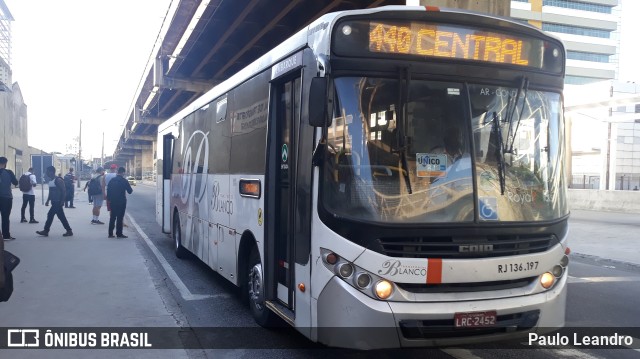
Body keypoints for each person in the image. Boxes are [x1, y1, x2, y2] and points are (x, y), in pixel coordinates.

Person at [36, 166, 73, 237]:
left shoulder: (58, 180)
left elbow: (63, 191)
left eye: (47, 171)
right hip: (54, 201)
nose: (46, 173)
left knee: (50, 215)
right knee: (61, 217)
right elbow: (51, 192)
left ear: (51, 172)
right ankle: (69, 230)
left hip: (58, 202)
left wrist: (62, 201)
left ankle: (46, 230)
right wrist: (47, 201)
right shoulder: (51, 181)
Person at [106, 167, 133, 238]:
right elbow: (130, 191)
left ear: (118, 172)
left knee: (112, 217)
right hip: (121, 201)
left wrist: (109, 200)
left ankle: (110, 234)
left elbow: (108, 191)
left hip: (113, 201)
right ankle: (119, 233)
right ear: (123, 173)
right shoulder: (124, 181)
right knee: (120, 218)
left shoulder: (112, 180)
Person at [0, 157, 19, 241]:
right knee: (5, 217)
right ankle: (6, 236)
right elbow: (15, 182)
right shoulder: (9, 172)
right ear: (5, 163)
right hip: (6, 198)